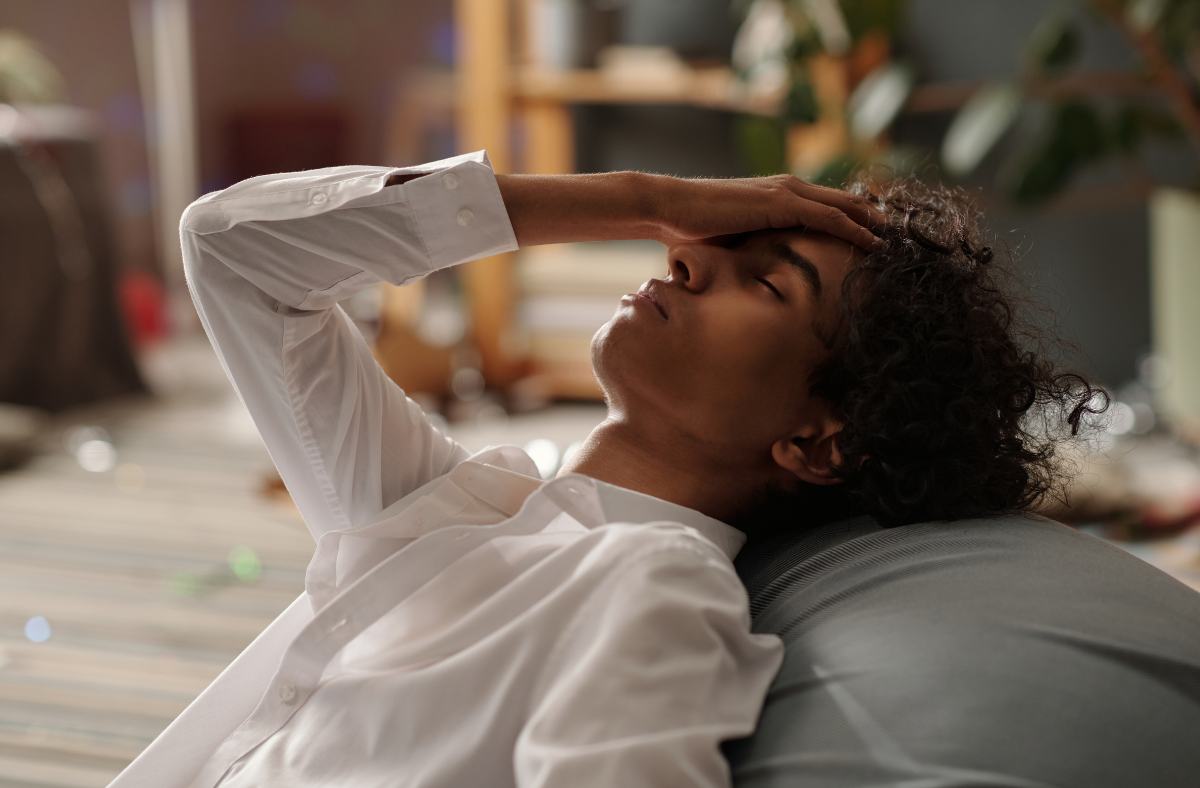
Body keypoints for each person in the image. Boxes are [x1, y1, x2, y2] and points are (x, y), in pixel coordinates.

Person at [108, 150, 889, 788]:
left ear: (818, 445)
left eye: (767, 282)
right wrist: (643, 199)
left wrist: (644, 203)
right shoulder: (455, 506)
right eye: (712, 239)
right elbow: (234, 247)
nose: (685, 253)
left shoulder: (656, 586)